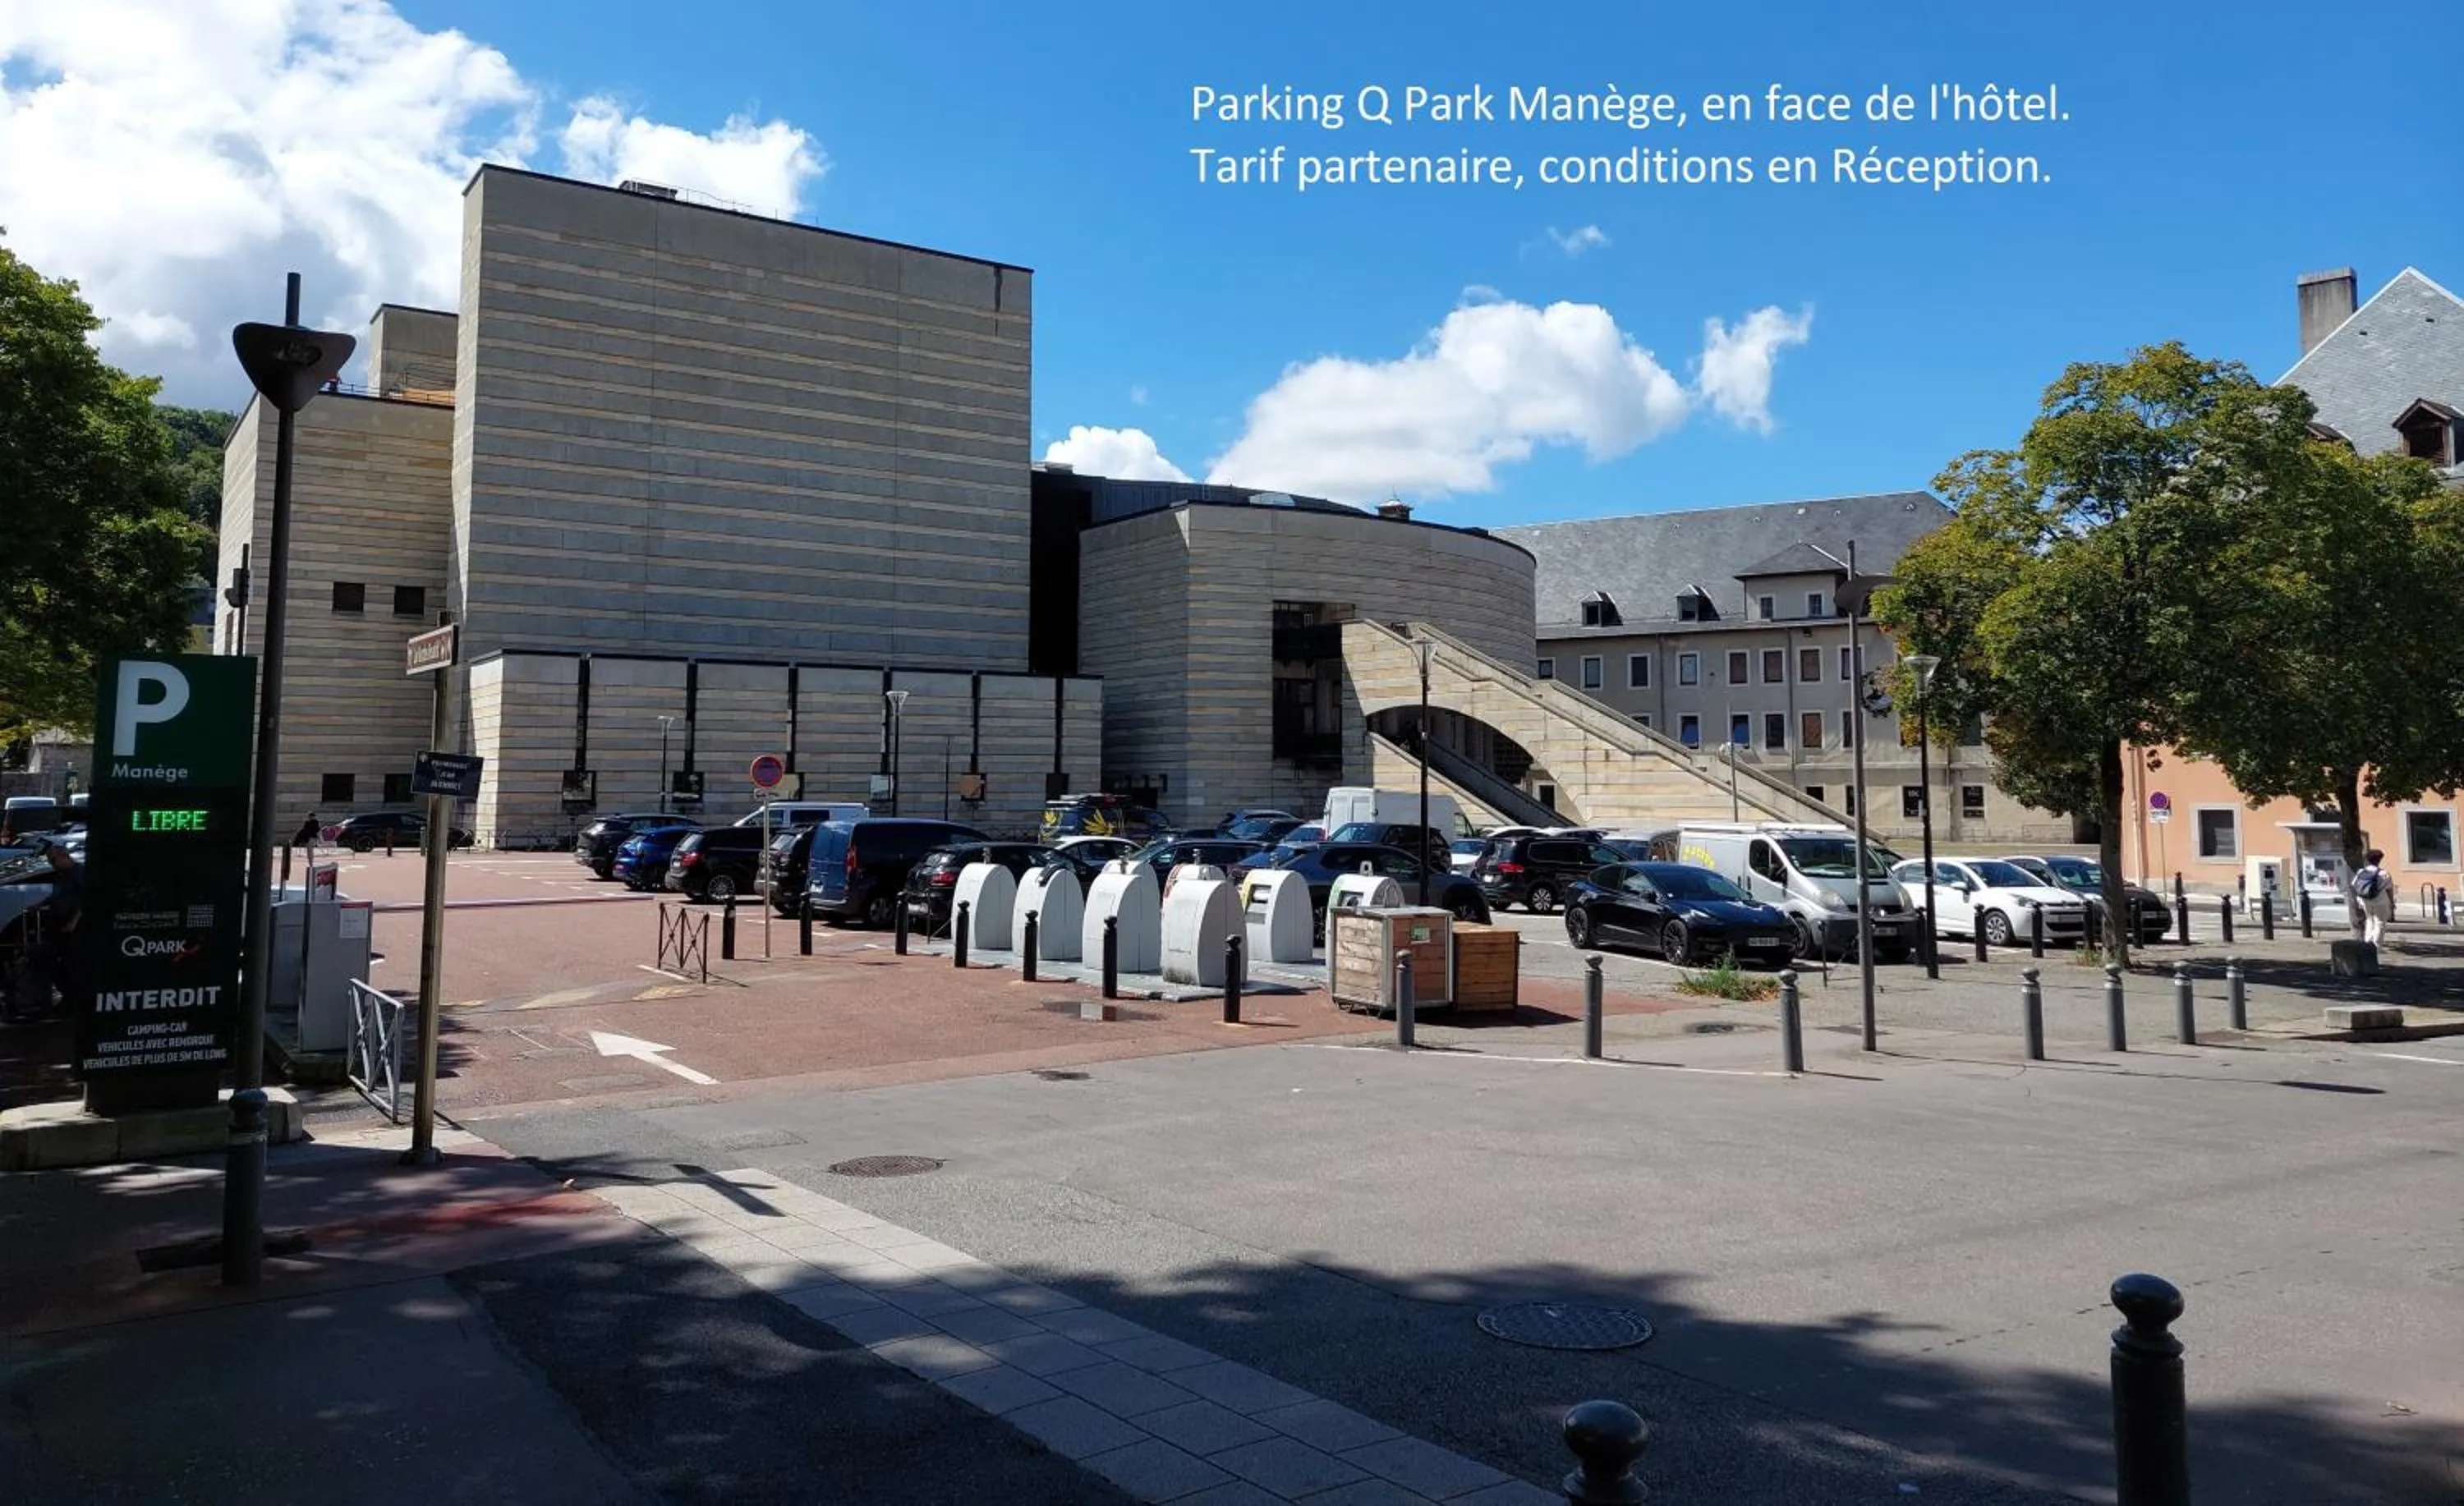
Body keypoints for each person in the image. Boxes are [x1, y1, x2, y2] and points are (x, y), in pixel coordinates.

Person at [33, 838, 85, 1017]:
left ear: (64, 857)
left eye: (53, 861)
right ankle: (64, 998)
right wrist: (39, 906)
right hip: (57, 926)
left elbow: (86, 900)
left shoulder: (79, 873)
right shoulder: (60, 876)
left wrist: (73, 923)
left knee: (72, 966)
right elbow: (57, 898)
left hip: (74, 929)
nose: (52, 865)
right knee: (48, 961)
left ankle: (74, 1002)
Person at [2351, 847, 2394, 948]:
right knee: (2380, 922)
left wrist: (2359, 899)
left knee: (2370, 920)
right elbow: (2389, 889)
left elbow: (2354, 885)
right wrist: (2392, 903)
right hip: (2380, 901)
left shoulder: (2361, 872)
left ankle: (2367, 943)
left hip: (2365, 900)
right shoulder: (2383, 874)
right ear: (2379, 860)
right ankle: (2376, 946)